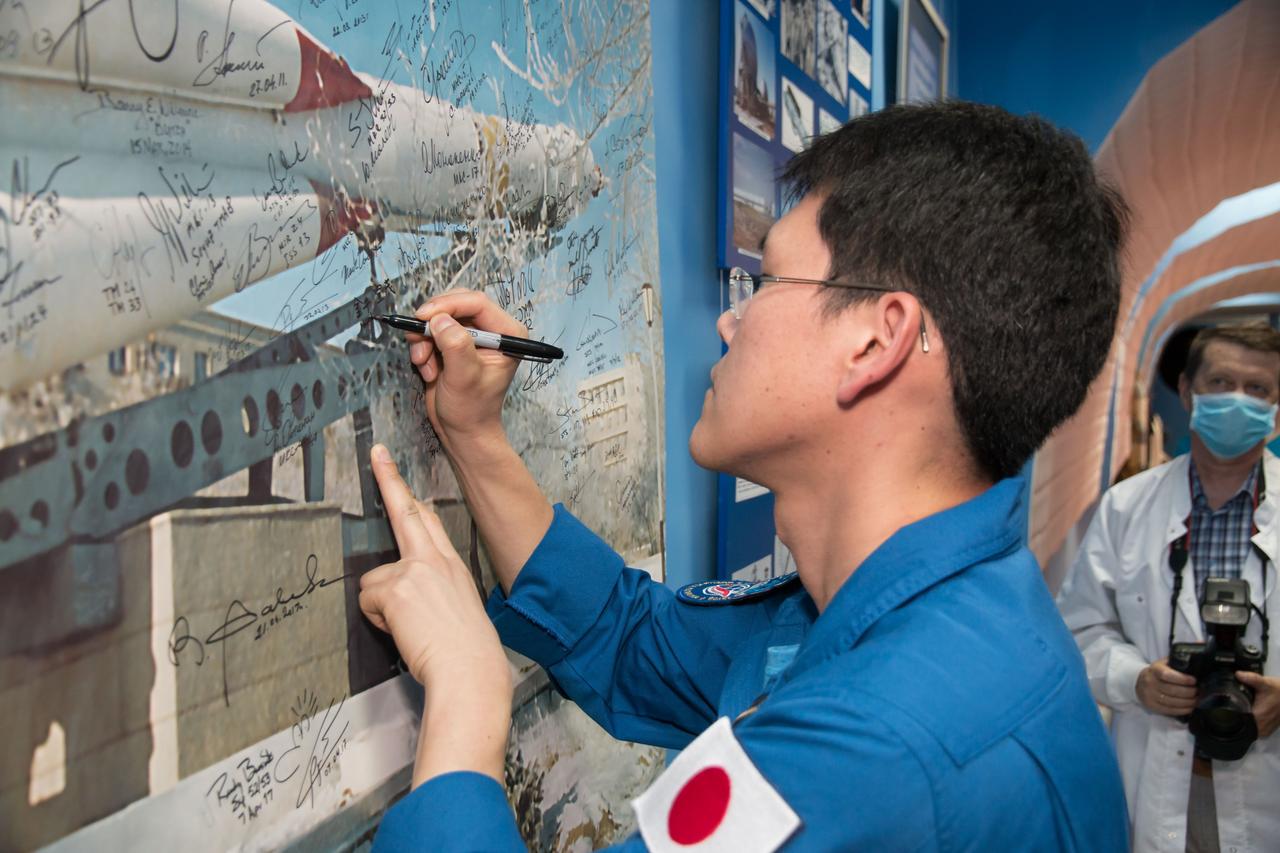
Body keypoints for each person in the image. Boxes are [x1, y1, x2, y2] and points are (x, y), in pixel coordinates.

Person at [359, 101, 1130, 851]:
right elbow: (629, 640)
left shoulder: (883, 751)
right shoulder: (888, 611)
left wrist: (465, 691)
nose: (729, 320)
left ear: (875, 341)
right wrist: (474, 434)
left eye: (768, 282)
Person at [1056, 323, 1280, 853]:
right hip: (1158, 785)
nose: (1237, 401)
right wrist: (1135, 680)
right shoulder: (1126, 508)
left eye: (1258, 390)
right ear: (1186, 391)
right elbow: (1077, 630)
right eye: (1221, 382)